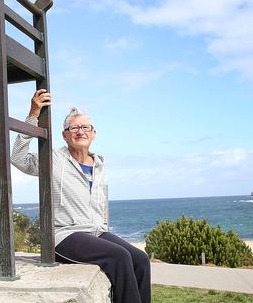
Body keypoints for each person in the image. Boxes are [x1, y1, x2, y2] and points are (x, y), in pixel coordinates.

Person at [10, 89, 151, 303]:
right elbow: (18, 158)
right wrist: (33, 114)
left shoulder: (99, 164)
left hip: (96, 232)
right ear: (65, 135)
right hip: (64, 235)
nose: (80, 131)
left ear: (93, 133)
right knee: (120, 257)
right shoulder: (54, 159)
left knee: (140, 259)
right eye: (73, 128)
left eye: (85, 127)